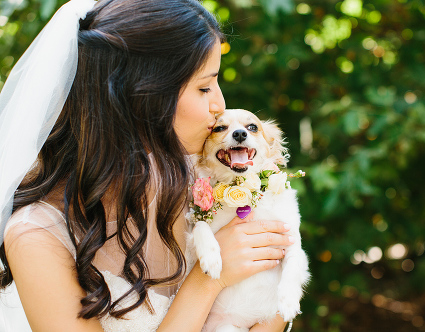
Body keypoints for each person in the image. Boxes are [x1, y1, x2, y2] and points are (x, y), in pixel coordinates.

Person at [0, 0, 293, 330]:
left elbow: (274, 306)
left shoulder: (209, 186)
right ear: (143, 96)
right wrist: (209, 280)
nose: (219, 105)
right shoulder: (38, 236)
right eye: (204, 86)